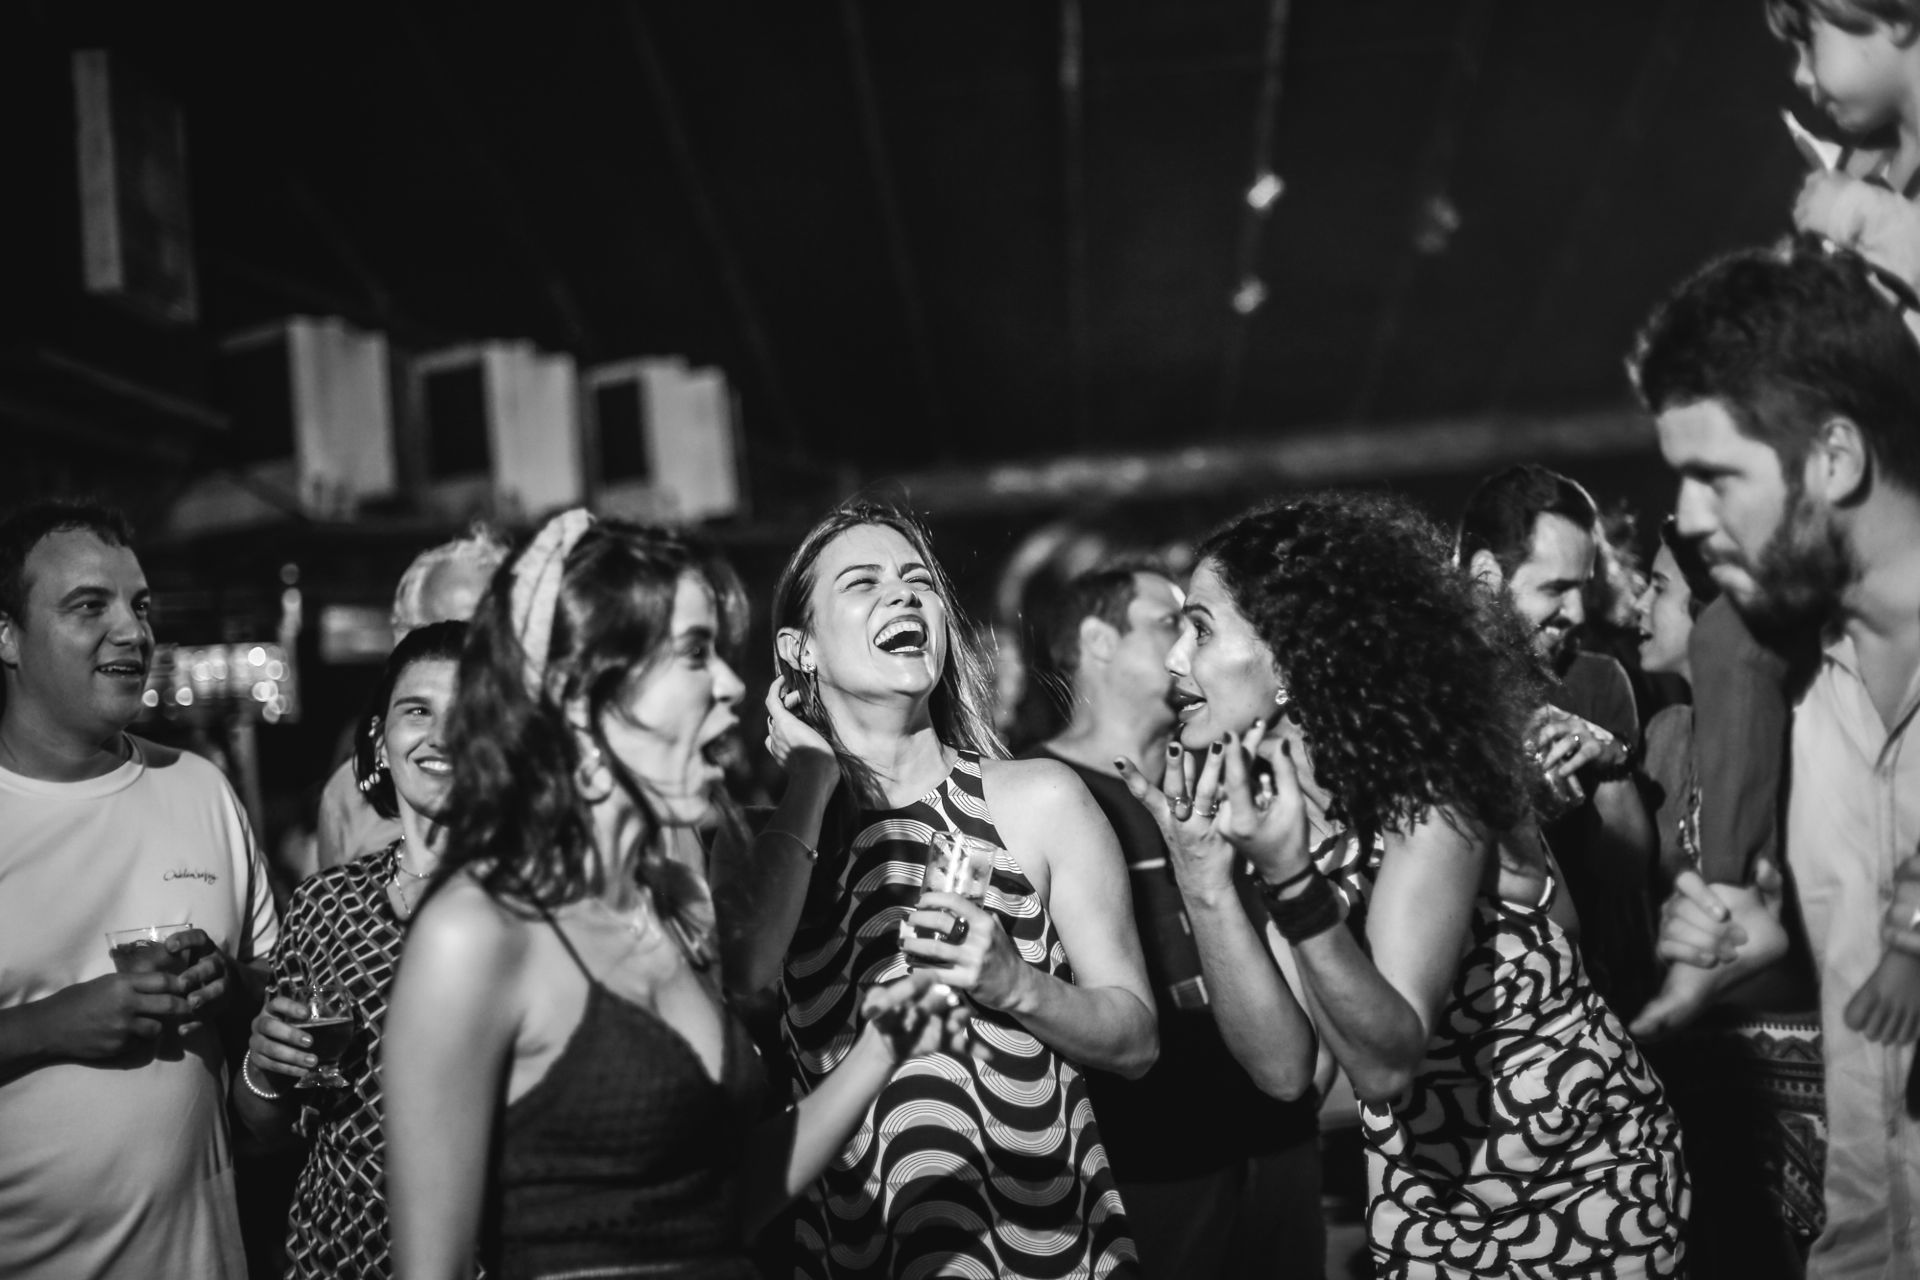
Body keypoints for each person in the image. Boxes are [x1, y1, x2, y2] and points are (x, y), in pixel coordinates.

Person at [382, 511, 969, 1280]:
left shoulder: (663, 905)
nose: (731, 686)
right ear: (582, 694)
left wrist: (879, 1050)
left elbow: (722, 1202)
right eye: (694, 654)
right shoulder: (478, 930)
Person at [1120, 491, 1687, 1279]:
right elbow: (1288, 1074)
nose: (1175, 660)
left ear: (1291, 653)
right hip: (1429, 1208)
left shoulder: (1433, 782)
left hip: (1582, 1186)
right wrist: (1205, 877)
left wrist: (1291, 882)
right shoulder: (1275, 809)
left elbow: (1388, 1061)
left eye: (1202, 629)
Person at [714, 499, 1154, 1280]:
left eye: (919, 582)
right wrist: (813, 777)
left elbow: (1136, 1042)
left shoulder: (1037, 798)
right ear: (798, 648)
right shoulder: (758, 843)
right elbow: (749, 965)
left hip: (1050, 1254)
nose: (904, 595)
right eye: (863, 582)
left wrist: (1014, 983)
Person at [1632, 239, 1920, 1276]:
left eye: (1717, 477)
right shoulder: (1792, 692)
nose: (1690, 520)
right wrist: (1755, 936)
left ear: (1835, 458)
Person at [0, 499, 278, 1279]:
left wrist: (230, 985)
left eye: (141, 605)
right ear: (6, 634)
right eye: (90, 606)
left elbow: (281, 987)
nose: (132, 630)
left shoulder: (198, 787)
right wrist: (49, 1025)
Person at [1026, 562, 1324, 1279]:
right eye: (1171, 624)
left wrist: (1316, 1077)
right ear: (1098, 641)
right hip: (1150, 1161)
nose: (1185, 651)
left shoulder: (1235, 771)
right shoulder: (1040, 794)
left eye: (1200, 629)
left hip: (1282, 1138)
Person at [234, 621, 467, 1278]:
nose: (442, 735)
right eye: (416, 711)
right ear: (380, 741)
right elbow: (270, 1126)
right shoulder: (324, 903)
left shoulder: (543, 902)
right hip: (338, 1252)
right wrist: (263, 1068)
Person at [1630, 520, 1827, 1272]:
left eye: (1657, 588)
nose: (1638, 607)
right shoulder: (1666, 737)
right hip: (1704, 1075)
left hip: (1805, 1065)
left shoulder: (1798, 728)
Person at [1457, 464, 1661, 1018]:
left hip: (1580, 1002)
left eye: (1583, 587)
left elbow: (1626, 875)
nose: (1576, 612)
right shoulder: (1418, 684)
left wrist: (1611, 764)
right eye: (1555, 588)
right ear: (1485, 575)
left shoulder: (1595, 680)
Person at [313, 527, 508, 873]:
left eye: (489, 637)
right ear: (401, 641)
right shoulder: (349, 795)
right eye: (441, 636)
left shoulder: (564, 777)